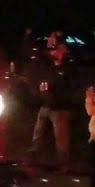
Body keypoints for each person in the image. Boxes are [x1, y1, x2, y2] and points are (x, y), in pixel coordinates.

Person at [25, 40, 79, 172]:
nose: (53, 52)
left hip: (59, 108)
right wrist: (42, 91)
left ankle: (64, 164)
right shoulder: (49, 67)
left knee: (61, 139)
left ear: (63, 52)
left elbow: (71, 89)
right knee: (38, 133)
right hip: (46, 105)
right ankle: (32, 158)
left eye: (57, 50)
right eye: (53, 50)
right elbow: (40, 79)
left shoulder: (68, 70)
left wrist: (55, 89)